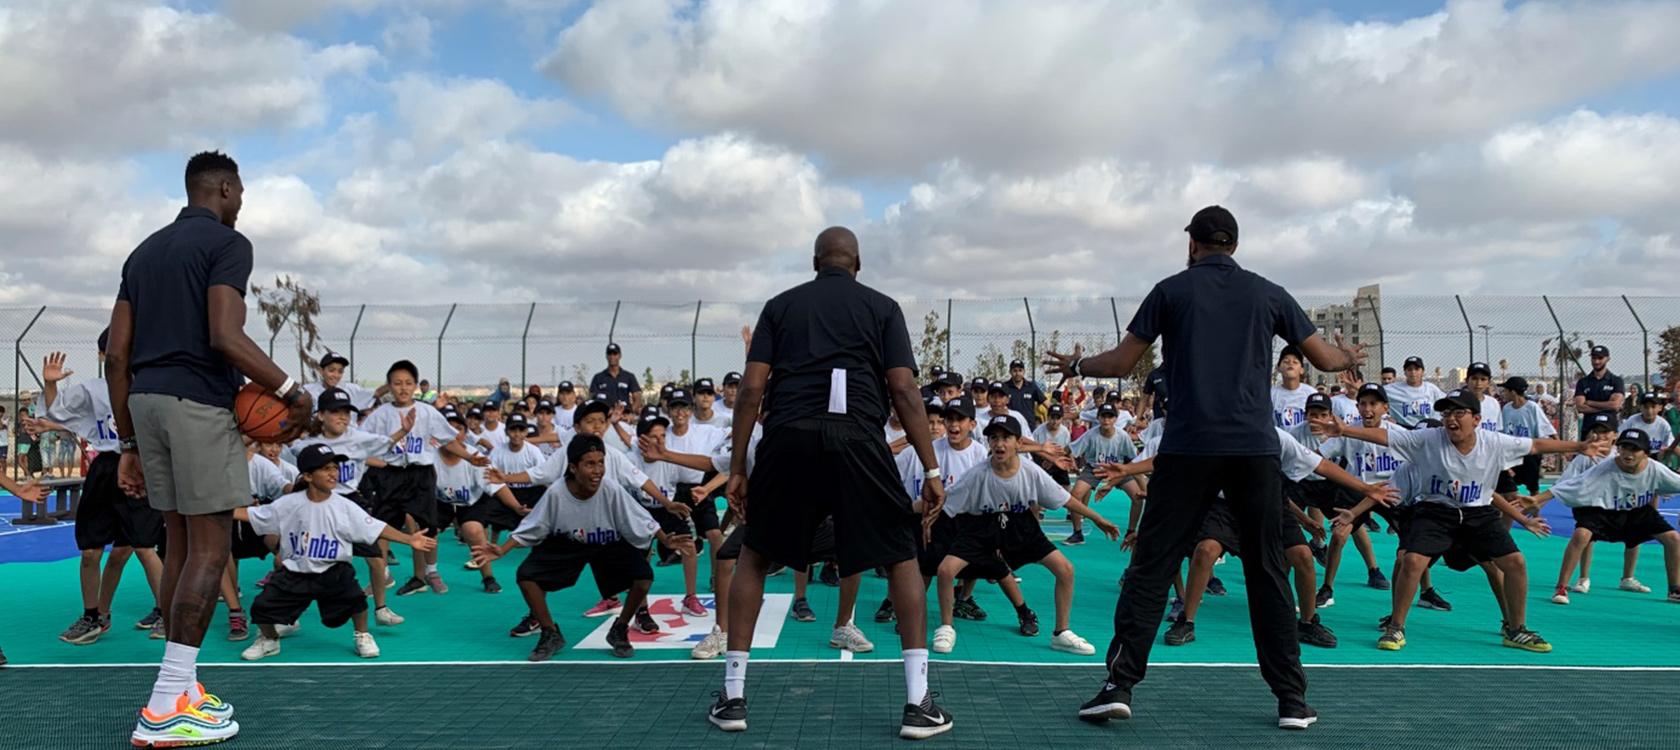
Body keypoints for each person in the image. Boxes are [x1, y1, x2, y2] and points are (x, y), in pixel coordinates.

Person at [1043, 205, 1362, 731]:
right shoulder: (1269, 292)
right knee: (1267, 568)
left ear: (1193, 244)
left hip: (1189, 448)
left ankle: (1118, 687)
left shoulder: (1171, 290)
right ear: (1234, 245)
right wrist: (1348, 358)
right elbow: (1326, 360)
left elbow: (1122, 364)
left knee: (1152, 566)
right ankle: (1291, 701)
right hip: (1255, 450)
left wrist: (1076, 365)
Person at [714, 227, 950, 740]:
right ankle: (918, 702)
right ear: (857, 264)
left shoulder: (780, 306)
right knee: (901, 555)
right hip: (858, 439)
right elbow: (905, 389)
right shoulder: (882, 307)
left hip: (788, 437)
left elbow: (752, 388)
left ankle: (732, 696)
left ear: (814, 262)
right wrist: (931, 470)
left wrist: (737, 468)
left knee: (755, 554)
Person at [113, 151, 314, 748]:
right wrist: (289, 390)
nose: (243, 201)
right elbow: (224, 335)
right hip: (197, 402)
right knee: (210, 546)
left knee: (179, 540)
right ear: (225, 188)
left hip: (146, 402)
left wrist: (127, 439)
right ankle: (162, 707)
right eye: (242, 191)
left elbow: (117, 355)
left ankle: (184, 688)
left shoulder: (143, 252)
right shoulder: (229, 243)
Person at [1313, 389, 1600, 653]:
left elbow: (1536, 445)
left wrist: (1579, 445)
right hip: (1435, 512)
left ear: (1476, 419)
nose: (1451, 418)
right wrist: (1344, 430)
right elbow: (1386, 437)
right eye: (1446, 413)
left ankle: (1516, 629)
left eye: (1458, 413)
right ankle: (1396, 627)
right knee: (1411, 560)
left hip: (1478, 514)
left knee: (1515, 563)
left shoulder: (1495, 442)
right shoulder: (1428, 439)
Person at [473, 435, 694, 661]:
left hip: (607, 543)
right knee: (526, 576)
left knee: (644, 577)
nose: (598, 470)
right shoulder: (557, 492)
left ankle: (619, 629)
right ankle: (550, 633)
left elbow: (639, 517)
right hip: (568, 543)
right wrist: (502, 549)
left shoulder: (610, 488)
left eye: (601, 462)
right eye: (590, 464)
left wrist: (665, 539)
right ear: (573, 467)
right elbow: (533, 526)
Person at [931, 415, 1118, 656]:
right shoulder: (977, 474)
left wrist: (1097, 518)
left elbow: (1064, 499)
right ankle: (947, 627)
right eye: (994, 438)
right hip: (982, 527)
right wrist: (919, 516)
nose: (999, 444)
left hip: (1021, 526)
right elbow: (946, 503)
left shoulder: (1030, 471)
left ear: (1018, 442)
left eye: (1006, 438)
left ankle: (1061, 633)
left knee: (1066, 570)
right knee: (946, 570)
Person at [236, 444, 436, 662]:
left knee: (357, 601)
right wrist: (221, 511)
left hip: (333, 570)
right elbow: (256, 514)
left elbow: (376, 527)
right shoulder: (288, 503)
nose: (333, 474)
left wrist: (409, 539)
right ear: (309, 476)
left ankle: (363, 635)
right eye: (326, 469)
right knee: (261, 607)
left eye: (335, 468)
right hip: (294, 572)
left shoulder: (344, 505)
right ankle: (270, 640)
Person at [33, 345, 165, 647]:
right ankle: (93, 616)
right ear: (104, 355)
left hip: (142, 465)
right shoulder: (94, 389)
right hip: (105, 469)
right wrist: (51, 383)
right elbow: (54, 409)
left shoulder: (150, 389)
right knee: (91, 550)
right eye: (112, 352)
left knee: (144, 547)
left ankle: (166, 612)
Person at [282, 387, 412, 623]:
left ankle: (381, 608)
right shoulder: (309, 444)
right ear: (320, 415)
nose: (343, 416)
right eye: (335, 412)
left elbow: (383, 444)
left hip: (350, 502)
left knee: (375, 559)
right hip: (316, 504)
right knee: (301, 560)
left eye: (346, 412)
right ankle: (289, 618)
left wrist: (403, 430)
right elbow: (290, 447)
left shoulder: (357, 438)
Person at [359, 360, 484, 598]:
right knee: (382, 526)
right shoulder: (381, 415)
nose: (403, 388)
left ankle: (430, 572)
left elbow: (448, 440)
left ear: (416, 385)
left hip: (420, 474)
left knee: (427, 525)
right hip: (391, 474)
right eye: (397, 383)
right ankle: (382, 575)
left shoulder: (427, 412)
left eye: (408, 383)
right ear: (389, 386)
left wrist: (469, 457)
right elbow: (363, 442)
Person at [1523, 428, 1680, 606]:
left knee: (1673, 538)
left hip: (1636, 512)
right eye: (1624, 448)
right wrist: (1537, 499)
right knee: (1581, 535)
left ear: (1645, 453)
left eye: (1634, 449)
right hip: (1602, 511)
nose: (1627, 454)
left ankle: (1674, 589)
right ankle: (1561, 587)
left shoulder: (1656, 469)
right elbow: (1573, 484)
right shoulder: (1606, 468)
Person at [1498, 377, 1555, 495]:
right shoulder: (1507, 408)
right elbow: (1502, 431)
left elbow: (1547, 428)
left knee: (1533, 487)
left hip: (1530, 453)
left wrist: (1561, 446)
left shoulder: (1532, 407)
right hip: (1513, 453)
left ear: (1513, 392)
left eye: (1506, 390)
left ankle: (1535, 512)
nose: (1504, 393)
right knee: (1508, 485)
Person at [1574, 345, 1625, 434]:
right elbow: (1580, 407)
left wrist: (1590, 402)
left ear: (1608, 359)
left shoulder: (1616, 381)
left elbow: (1615, 405)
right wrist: (1606, 407)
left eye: (1600, 358)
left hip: (1609, 430)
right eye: (1594, 358)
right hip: (1589, 429)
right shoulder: (1583, 382)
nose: (1596, 361)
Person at [1384, 356, 1445, 428]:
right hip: (1403, 429)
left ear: (1422, 372)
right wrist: (1384, 417)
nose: (1413, 372)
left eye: (1417, 369)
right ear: (1405, 372)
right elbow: (1372, 396)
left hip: (1428, 429)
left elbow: (1447, 401)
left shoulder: (1431, 389)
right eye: (1409, 369)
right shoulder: (1391, 389)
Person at [1271, 346, 1317, 429]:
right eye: (1286, 361)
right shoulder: (1271, 395)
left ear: (1302, 370)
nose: (1290, 363)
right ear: (1278, 368)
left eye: (1295, 362)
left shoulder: (1311, 394)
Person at [590, 344, 643, 413]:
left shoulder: (629, 376)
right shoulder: (598, 377)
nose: (612, 356)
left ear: (620, 356)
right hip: (606, 416)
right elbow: (592, 398)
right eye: (609, 354)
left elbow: (637, 398)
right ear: (606, 356)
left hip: (624, 416)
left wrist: (630, 412)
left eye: (615, 354)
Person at [1003, 359, 1047, 429]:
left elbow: (1047, 404)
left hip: (1029, 427)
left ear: (1024, 372)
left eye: (1020, 370)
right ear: (1010, 372)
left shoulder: (1032, 386)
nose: (1017, 373)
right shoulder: (1004, 387)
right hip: (1011, 427)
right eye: (1015, 370)